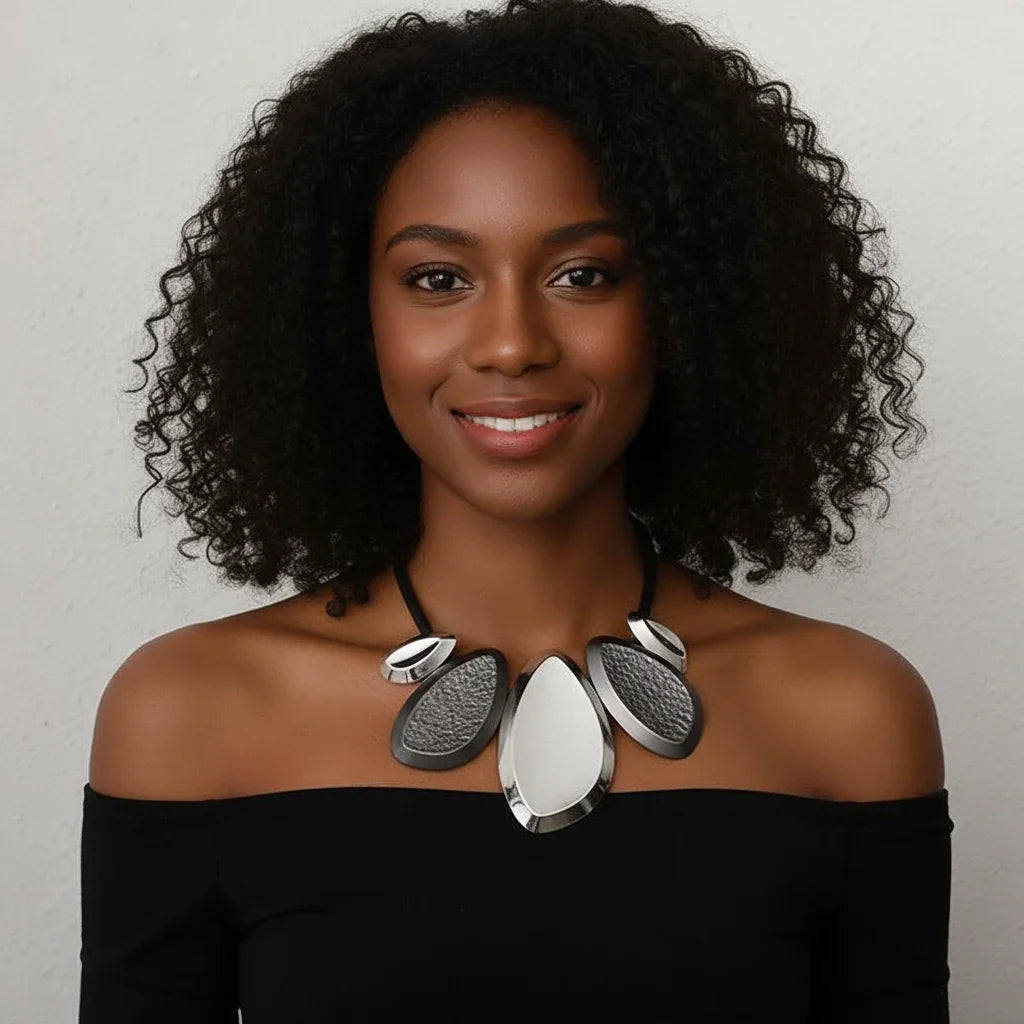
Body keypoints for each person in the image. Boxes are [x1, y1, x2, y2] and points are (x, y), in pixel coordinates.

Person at [79, 0, 952, 1019]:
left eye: (583, 274)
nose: (508, 343)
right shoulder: (189, 714)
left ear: (684, 307)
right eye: (437, 277)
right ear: (346, 315)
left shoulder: (847, 714)